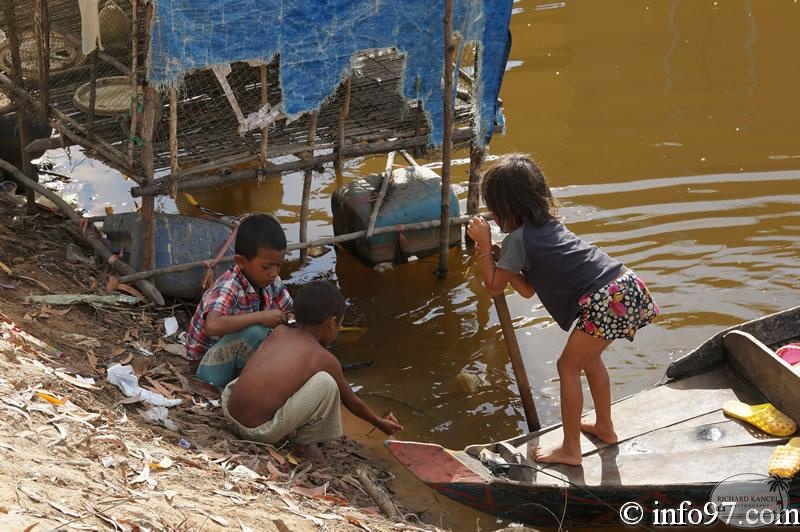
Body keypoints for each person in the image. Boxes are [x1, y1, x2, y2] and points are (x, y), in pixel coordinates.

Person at [466, 154, 659, 466]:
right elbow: (527, 289)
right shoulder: (548, 227)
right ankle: (605, 427)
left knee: (566, 367)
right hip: (625, 286)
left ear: (505, 207)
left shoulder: (517, 239)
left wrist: (485, 244)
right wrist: (504, 262)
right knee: (590, 359)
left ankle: (571, 449)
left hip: (604, 299)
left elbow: (492, 286)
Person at [222, 281, 403, 460]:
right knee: (326, 383)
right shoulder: (323, 358)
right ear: (332, 322)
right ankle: (304, 445)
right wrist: (380, 423)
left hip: (228, 411)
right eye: (339, 325)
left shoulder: (279, 331)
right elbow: (352, 401)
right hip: (257, 433)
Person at [185, 213, 293, 389]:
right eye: (266, 267)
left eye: (279, 265)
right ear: (241, 262)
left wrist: (290, 318)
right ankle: (244, 389)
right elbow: (212, 326)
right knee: (257, 331)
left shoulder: (272, 282)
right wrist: (261, 317)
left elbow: (289, 309)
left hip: (234, 358)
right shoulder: (229, 286)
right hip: (208, 369)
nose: (273, 273)